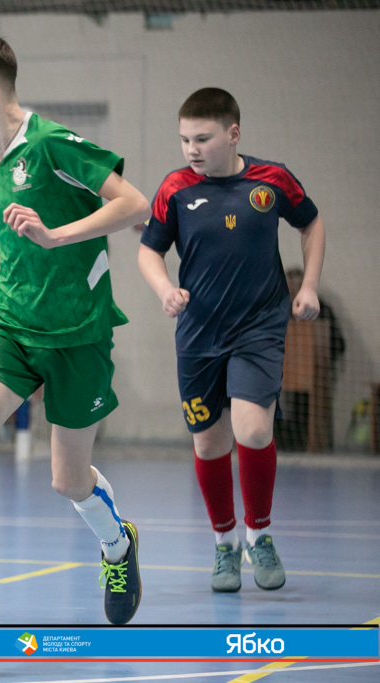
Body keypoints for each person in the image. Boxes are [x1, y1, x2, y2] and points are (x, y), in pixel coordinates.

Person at [0, 30, 152, 636]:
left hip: (78, 331)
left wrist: (56, 235)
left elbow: (135, 205)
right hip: (13, 324)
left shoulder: (51, 145)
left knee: (69, 480)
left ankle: (118, 545)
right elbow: (16, 243)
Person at [138, 87, 326, 593]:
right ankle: (225, 544)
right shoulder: (175, 188)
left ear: (234, 133)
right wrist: (164, 289)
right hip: (199, 334)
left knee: (254, 431)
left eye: (203, 138)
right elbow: (149, 250)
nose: (191, 149)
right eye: (185, 139)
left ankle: (259, 534)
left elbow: (311, 223)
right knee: (209, 443)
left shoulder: (271, 179)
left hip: (258, 328)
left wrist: (308, 285)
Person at [274, 267, 344, 451]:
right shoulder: (280, 308)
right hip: (284, 370)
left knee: (304, 404)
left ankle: (307, 442)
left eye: (295, 286)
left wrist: (320, 361)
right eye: (288, 286)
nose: (291, 290)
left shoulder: (320, 309)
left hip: (314, 375)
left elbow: (338, 345)